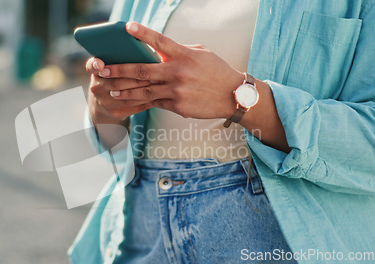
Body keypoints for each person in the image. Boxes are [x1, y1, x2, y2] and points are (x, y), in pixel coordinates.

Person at [68, 0, 375, 263]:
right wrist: (106, 110)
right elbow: (113, 147)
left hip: (273, 233)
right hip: (142, 225)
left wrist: (240, 97)